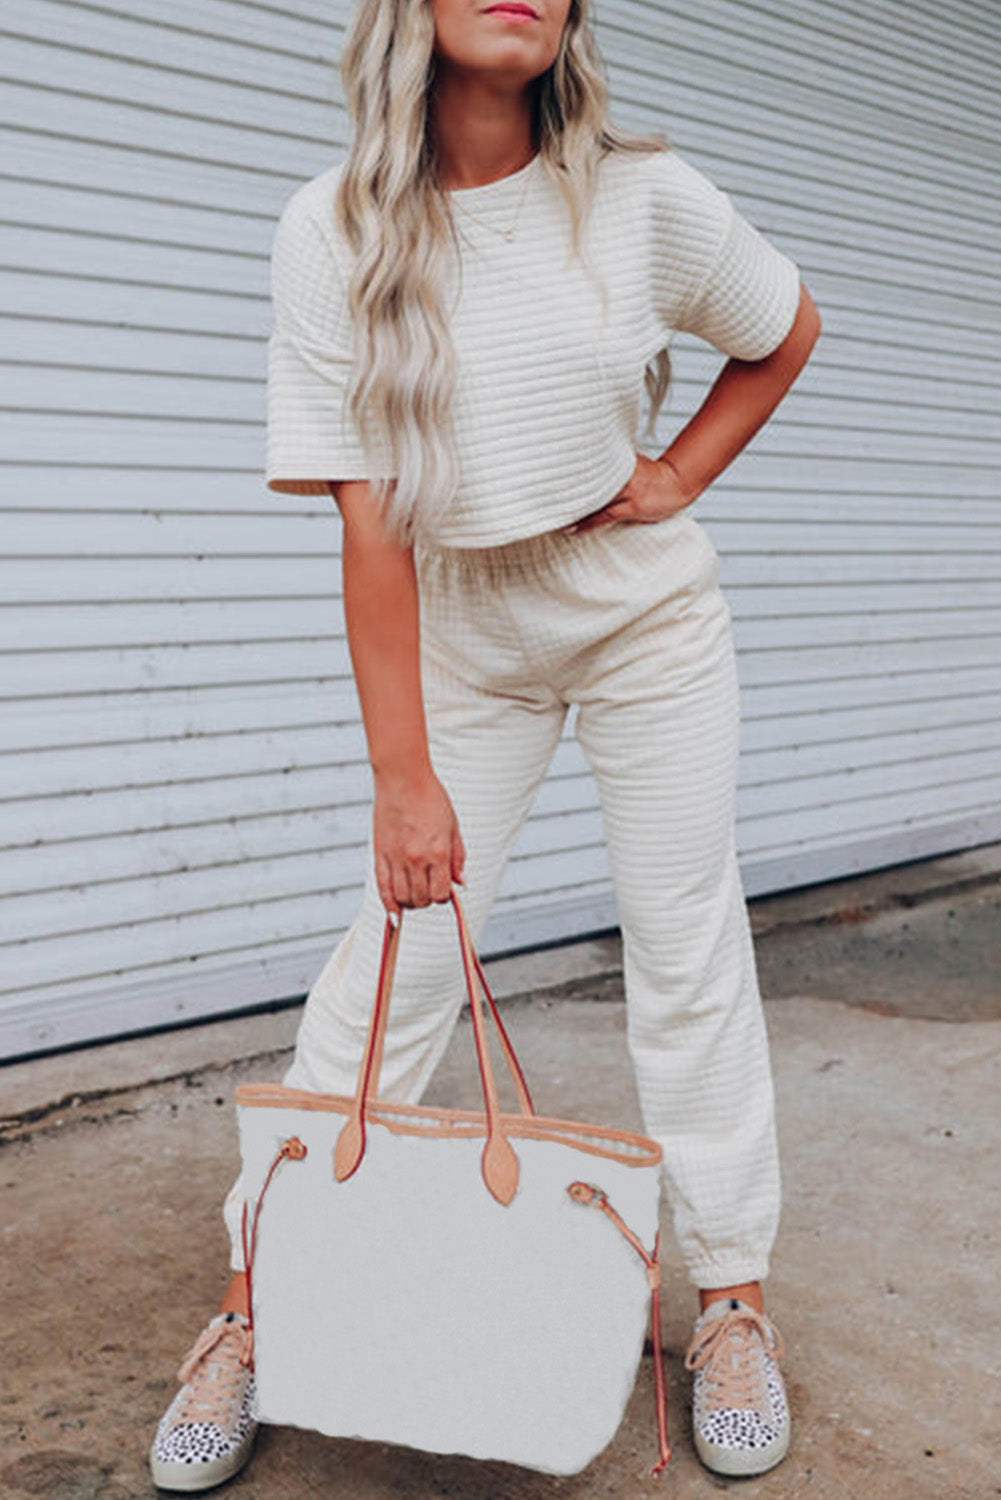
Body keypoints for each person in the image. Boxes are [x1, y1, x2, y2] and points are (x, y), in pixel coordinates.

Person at [149, 0, 821, 1487]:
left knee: (684, 943)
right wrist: (404, 779)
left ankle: (726, 1302)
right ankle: (259, 1300)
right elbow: (368, 521)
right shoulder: (330, 228)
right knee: (394, 967)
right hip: (458, 628)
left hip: (641, 621)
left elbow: (783, 330)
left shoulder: (641, 192)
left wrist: (671, 480)